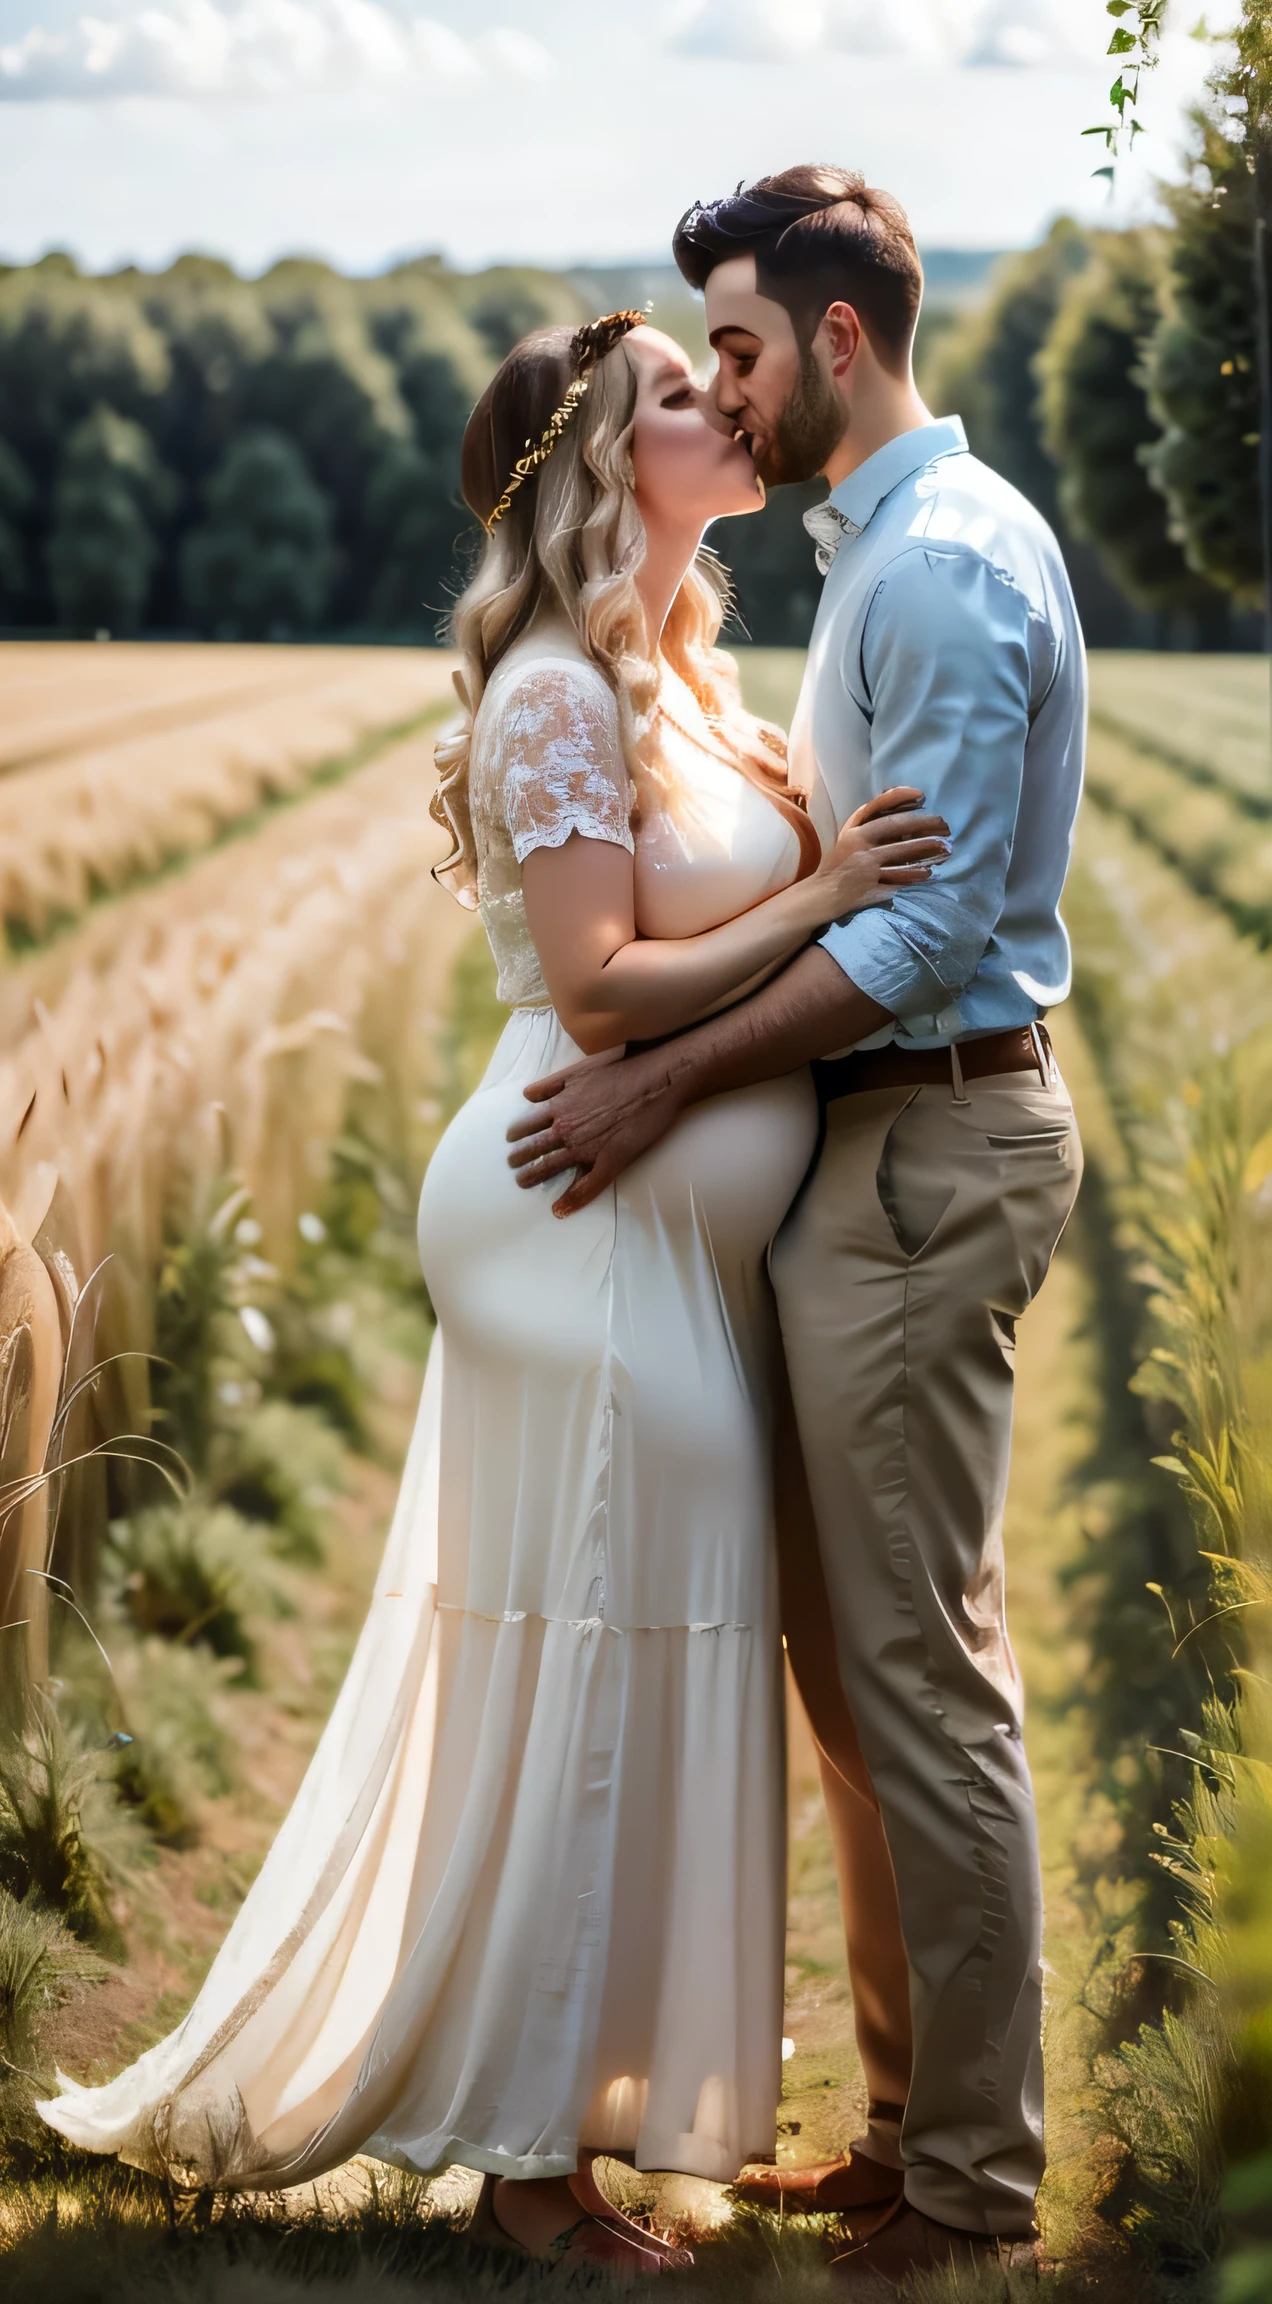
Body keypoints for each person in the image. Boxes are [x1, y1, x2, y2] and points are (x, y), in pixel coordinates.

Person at [37, 307, 947, 2279]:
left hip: (660, 1244)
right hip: (569, 1219)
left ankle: (580, 2115)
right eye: (684, 397)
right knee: (605, 1638)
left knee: (646, 1635)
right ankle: (532, 2172)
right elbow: (604, 984)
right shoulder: (551, 691)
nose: (730, 404)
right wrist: (822, 896)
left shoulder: (688, 677)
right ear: (611, 465)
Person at [506, 169, 1087, 2289]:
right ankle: (910, 2120)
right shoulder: (890, 549)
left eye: (738, 350)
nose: (726, 395)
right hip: (890, 1154)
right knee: (865, 1684)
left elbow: (926, 922)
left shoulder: (928, 575)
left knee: (917, 1684)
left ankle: (967, 2188)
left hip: (928, 1151)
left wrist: (657, 1079)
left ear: (837, 341)